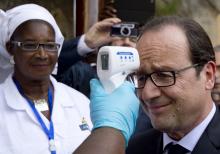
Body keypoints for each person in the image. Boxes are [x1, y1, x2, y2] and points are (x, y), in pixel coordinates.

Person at [0, 4, 93, 153]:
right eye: (30, 45)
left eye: (50, 46)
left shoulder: (80, 103)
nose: (42, 55)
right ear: (11, 48)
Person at [124, 16, 220, 154]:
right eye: (141, 77)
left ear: (208, 75)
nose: (147, 94)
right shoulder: (134, 148)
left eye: (164, 75)